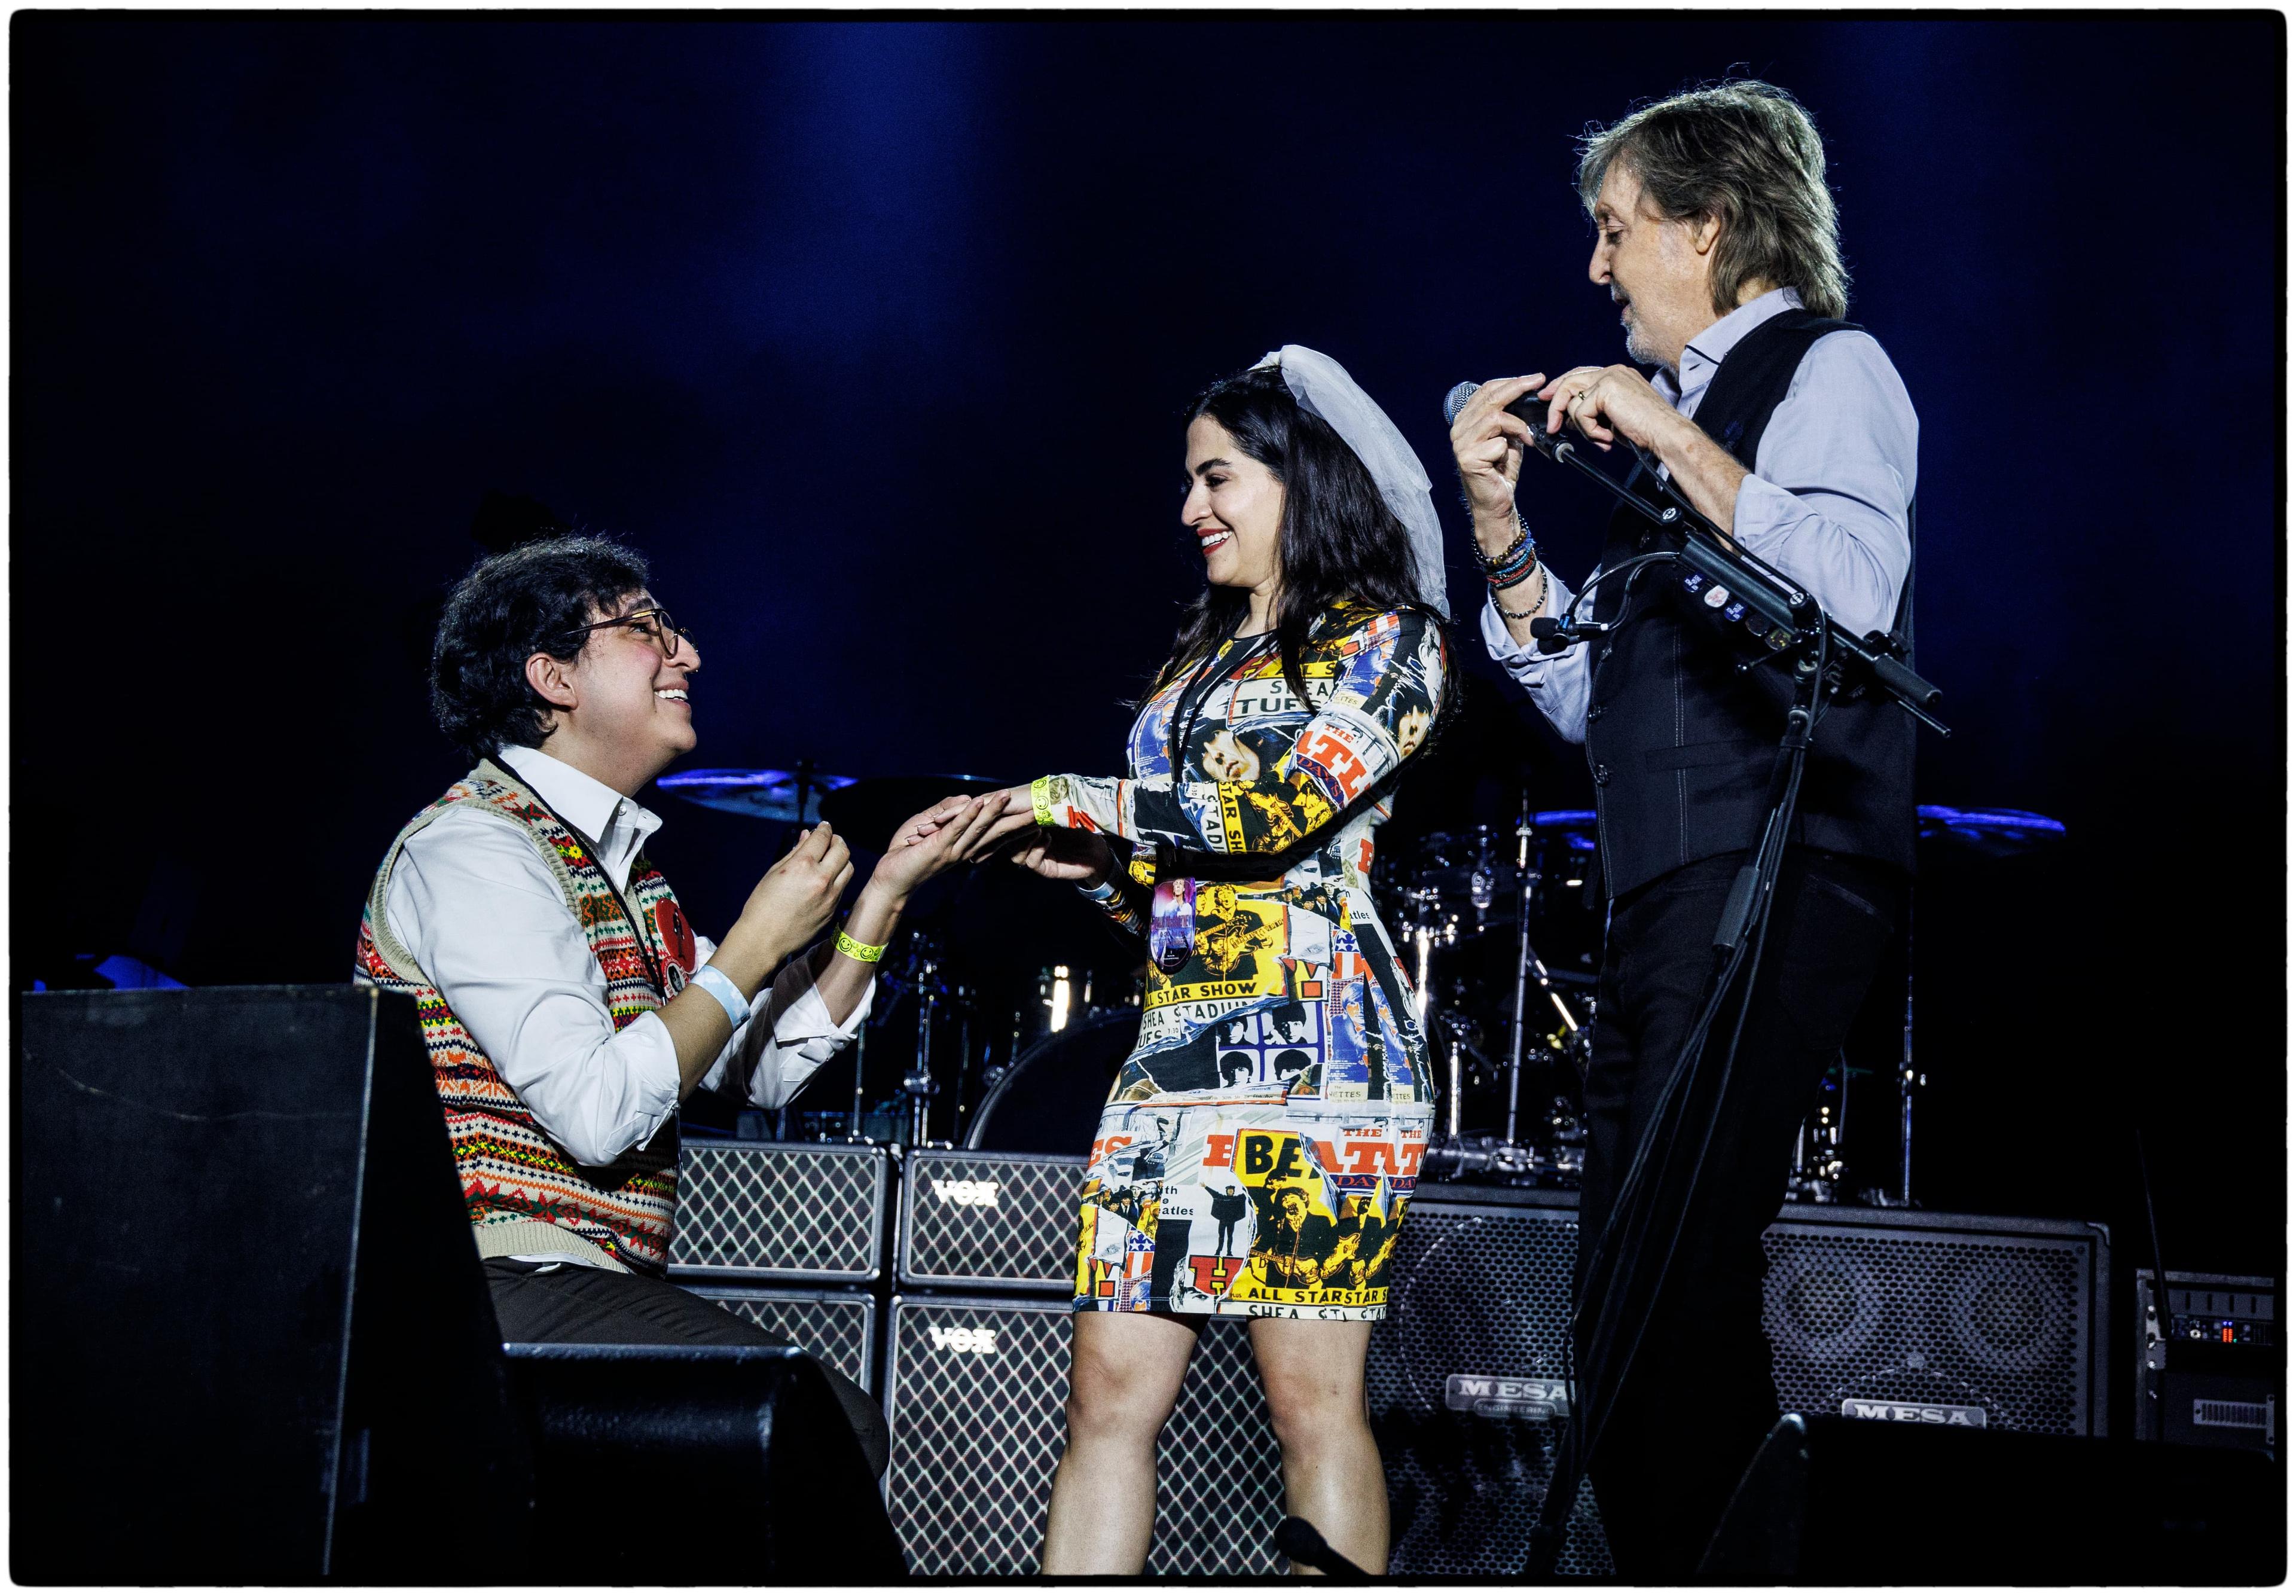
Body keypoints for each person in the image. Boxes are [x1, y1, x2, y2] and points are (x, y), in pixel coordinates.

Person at [1448, 81, 1917, 1576]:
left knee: (1677, 1266)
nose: (1596, 268)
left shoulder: (1829, 370)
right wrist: (1506, 540)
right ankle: (1702, 1558)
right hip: (1669, 890)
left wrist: (1664, 430)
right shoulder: (1686, 432)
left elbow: (1851, 591)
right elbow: (1597, 700)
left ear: (1711, 228)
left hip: (1779, 872)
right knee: (1622, 1283)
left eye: (1618, 229)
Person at [354, 534, 997, 1479]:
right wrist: (750, 946)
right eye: (647, 628)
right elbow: (599, 1111)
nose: (686, 654)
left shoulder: (626, 875)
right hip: (478, 1281)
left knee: (810, 1423)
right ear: (552, 676)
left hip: (575, 1283)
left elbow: (765, 1068)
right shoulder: (474, 849)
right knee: (823, 1421)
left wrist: (881, 899)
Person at [960, 349, 1451, 1575]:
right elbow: (1198, 887)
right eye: (1191, 483)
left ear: (1299, 478)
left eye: (1217, 477)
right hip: (1173, 1067)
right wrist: (1111, 885)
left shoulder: (1391, 644)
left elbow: (1269, 822)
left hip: (1324, 1064)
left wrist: (1072, 798)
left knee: (1310, 1407)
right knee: (1105, 1404)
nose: (1193, 510)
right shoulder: (1205, 662)